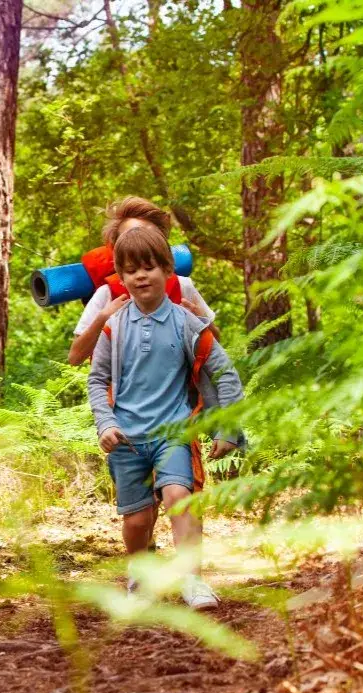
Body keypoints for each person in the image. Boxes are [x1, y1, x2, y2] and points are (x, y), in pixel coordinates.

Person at [86, 225, 243, 610]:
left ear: (168, 271)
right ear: (121, 279)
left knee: (179, 497)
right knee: (138, 521)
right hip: (127, 438)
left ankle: (193, 579)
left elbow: (225, 374)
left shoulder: (188, 323)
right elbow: (97, 379)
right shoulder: (113, 326)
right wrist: (106, 423)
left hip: (174, 431)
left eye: (150, 267)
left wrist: (227, 427)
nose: (141, 276)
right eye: (131, 270)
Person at [68, 197, 219, 367]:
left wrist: (201, 321)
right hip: (121, 392)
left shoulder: (183, 286)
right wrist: (103, 318)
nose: (139, 243)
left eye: (149, 235)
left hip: (180, 392)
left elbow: (215, 345)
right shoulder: (107, 294)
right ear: (117, 250)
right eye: (129, 237)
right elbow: (75, 358)